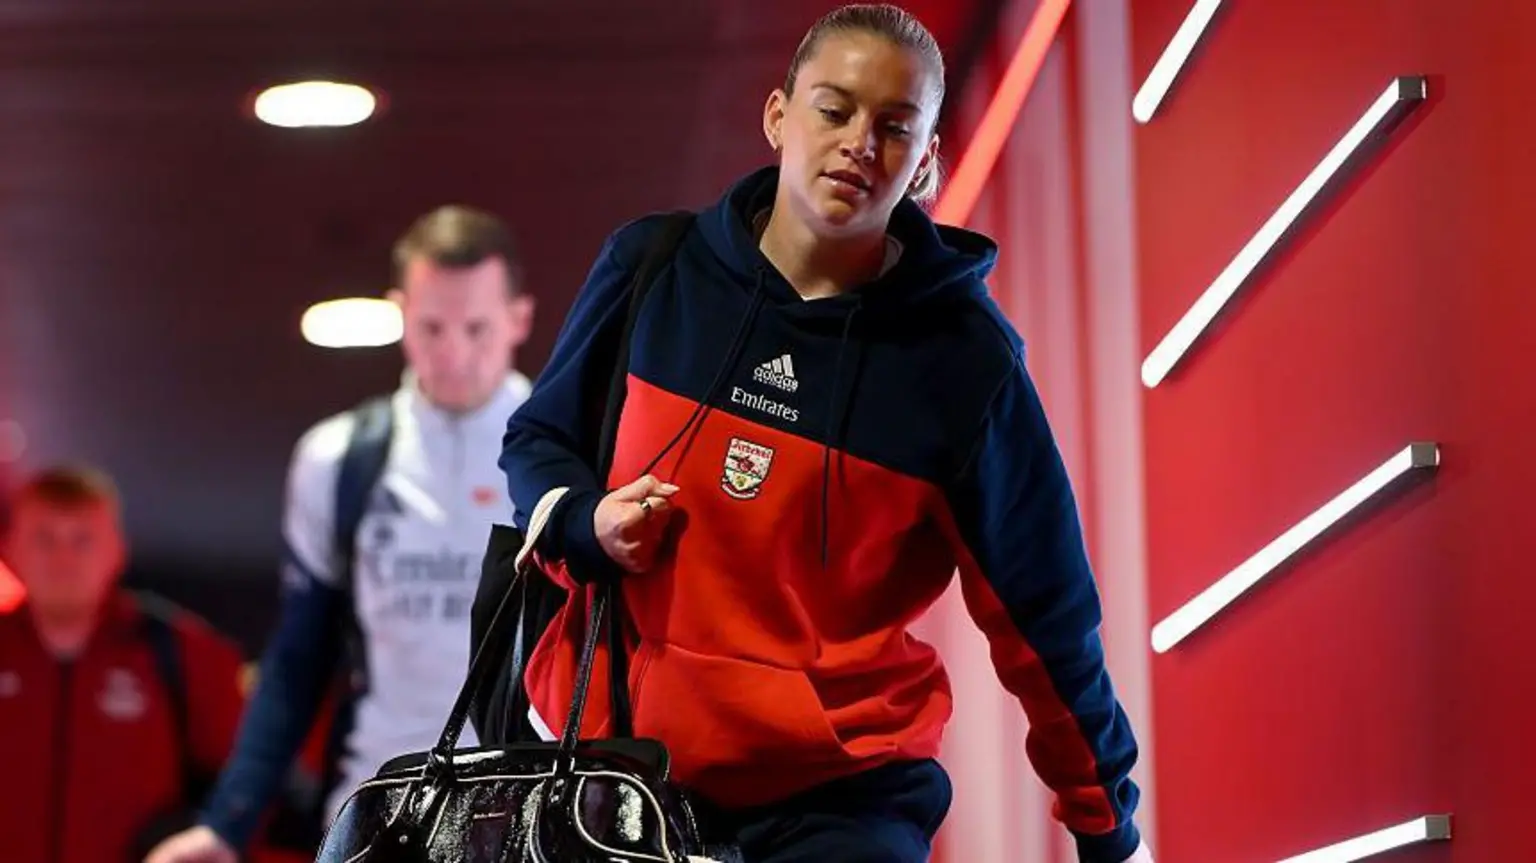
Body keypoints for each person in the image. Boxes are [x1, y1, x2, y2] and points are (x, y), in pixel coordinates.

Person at [497, 5, 1156, 862]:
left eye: (894, 126)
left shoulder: (964, 362)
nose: (859, 143)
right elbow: (536, 443)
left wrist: (1107, 823)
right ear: (779, 114)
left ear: (924, 160)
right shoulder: (652, 270)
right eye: (834, 109)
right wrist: (587, 524)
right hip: (612, 776)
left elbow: (1047, 613)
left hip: (837, 800)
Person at [146, 205, 537, 863]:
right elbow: (298, 656)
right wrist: (228, 822)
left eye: (477, 328)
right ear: (400, 314)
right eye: (431, 327)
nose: (454, 353)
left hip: (523, 812)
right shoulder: (338, 459)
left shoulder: (565, 454)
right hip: (373, 808)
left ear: (518, 318)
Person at [0, 465, 249, 863]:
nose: (63, 558)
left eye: (82, 540)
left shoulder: (181, 653)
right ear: (10, 548)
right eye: (44, 538)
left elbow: (251, 785)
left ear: (117, 550)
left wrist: (205, 835)